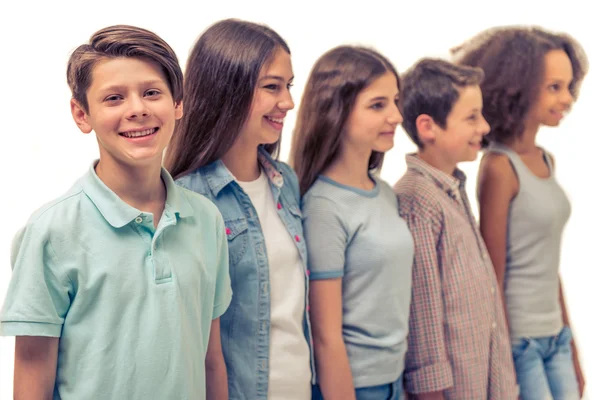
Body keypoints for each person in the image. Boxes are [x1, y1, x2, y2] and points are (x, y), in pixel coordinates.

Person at [0, 25, 231, 399]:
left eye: (152, 92)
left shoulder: (206, 220)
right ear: (81, 114)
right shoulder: (50, 231)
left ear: (177, 104)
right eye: (114, 98)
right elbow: (31, 371)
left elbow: (211, 359)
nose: (137, 109)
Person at [165, 19, 313, 400]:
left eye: (289, 85)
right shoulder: (188, 198)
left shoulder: (286, 182)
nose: (289, 102)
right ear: (226, 90)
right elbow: (188, 344)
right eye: (272, 87)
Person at [454, 26, 589, 399]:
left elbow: (546, 263)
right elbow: (492, 274)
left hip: (556, 338)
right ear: (518, 88)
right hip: (521, 343)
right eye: (553, 87)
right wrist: (501, 358)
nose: (567, 98)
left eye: (568, 86)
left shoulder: (547, 160)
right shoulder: (499, 167)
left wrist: (573, 346)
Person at [291, 45, 413, 400]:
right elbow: (326, 337)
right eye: (378, 105)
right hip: (356, 387)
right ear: (337, 112)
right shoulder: (324, 207)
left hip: (395, 381)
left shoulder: (386, 193)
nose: (396, 116)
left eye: (395, 101)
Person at [394, 58, 518, 399]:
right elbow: (424, 319)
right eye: (472, 117)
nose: (485, 126)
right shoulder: (417, 200)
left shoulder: (453, 189)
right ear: (428, 127)